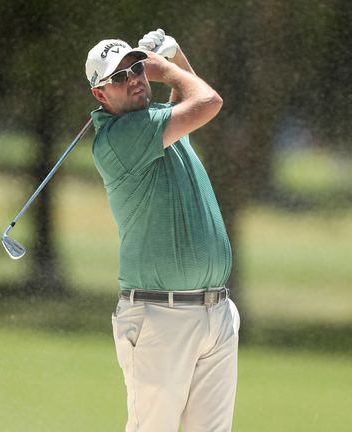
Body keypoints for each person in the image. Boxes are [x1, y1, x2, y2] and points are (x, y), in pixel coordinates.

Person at [84, 29, 240, 432]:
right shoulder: (121, 138)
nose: (135, 78)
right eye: (120, 77)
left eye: (136, 67)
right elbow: (207, 101)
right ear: (101, 95)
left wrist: (178, 56)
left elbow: (188, 102)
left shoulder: (156, 124)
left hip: (215, 312)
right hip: (159, 317)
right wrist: (164, 67)